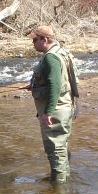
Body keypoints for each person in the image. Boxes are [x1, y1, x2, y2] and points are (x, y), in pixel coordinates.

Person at [24, 23, 77, 184]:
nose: (33, 43)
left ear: (44, 40)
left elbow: (55, 85)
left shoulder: (51, 58)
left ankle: (58, 188)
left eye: (35, 40)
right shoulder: (61, 51)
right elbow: (65, 80)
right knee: (61, 147)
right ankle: (63, 179)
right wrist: (35, 85)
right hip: (66, 106)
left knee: (55, 150)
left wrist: (48, 112)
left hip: (56, 110)